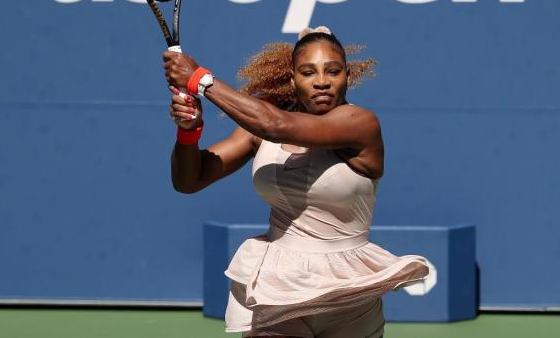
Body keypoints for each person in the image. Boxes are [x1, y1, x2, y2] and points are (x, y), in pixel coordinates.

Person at [163, 26, 435, 338]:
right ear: (293, 79)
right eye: (308, 72)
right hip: (278, 287)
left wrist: (200, 80)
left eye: (333, 71)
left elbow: (276, 125)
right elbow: (190, 180)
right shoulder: (258, 129)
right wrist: (189, 131)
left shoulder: (360, 123)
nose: (322, 81)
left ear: (348, 76)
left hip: (348, 294)